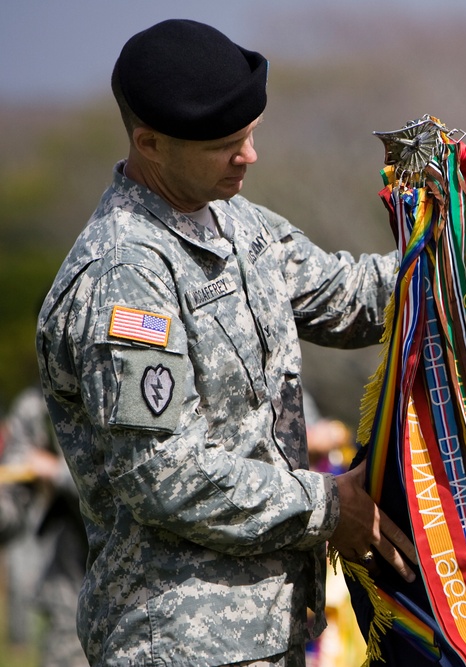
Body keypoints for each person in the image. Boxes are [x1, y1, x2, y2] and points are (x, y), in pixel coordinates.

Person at [33, 18, 422, 666]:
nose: (249, 157)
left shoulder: (233, 221)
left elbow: (349, 297)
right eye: (224, 145)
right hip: (177, 642)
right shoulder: (124, 275)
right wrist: (327, 504)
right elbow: (165, 476)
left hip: (268, 634)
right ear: (150, 144)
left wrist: (459, 244)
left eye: (249, 136)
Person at [0, 385, 88, 667]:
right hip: (70, 592)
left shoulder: (126, 380)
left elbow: (140, 486)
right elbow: (12, 505)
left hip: (148, 586)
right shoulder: (34, 407)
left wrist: (58, 472)